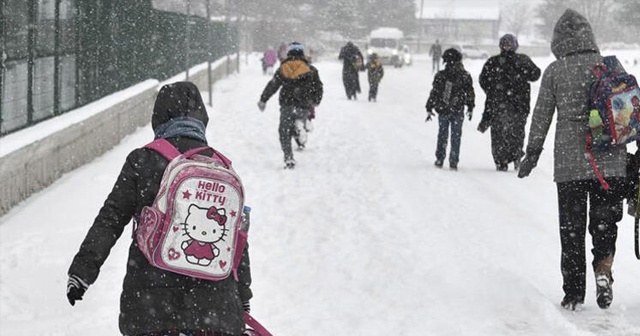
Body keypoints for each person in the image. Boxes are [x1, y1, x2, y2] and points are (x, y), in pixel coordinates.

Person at [66, 81, 253, 335]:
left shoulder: (142, 161)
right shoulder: (221, 167)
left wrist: (82, 272)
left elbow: (110, 219)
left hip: (150, 300)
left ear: (159, 117)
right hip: (214, 304)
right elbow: (236, 237)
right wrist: (242, 294)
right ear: (201, 118)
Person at [518, 9, 628, 311]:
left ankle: (573, 293)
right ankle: (603, 269)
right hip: (611, 162)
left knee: (572, 229)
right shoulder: (608, 67)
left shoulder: (555, 71)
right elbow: (629, 111)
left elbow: (541, 116)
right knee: (604, 223)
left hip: (570, 165)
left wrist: (532, 153)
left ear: (558, 40)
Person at [478, 34, 541, 171]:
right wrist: (522, 75)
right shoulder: (522, 60)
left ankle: (502, 160)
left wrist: (493, 91)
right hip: (519, 105)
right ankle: (515, 155)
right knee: (516, 132)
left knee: (499, 134)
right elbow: (535, 74)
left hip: (498, 105)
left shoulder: (493, 62)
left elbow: (483, 80)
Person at [257, 42, 323, 169]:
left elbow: (273, 85)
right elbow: (318, 87)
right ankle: (301, 128)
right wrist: (316, 100)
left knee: (284, 131)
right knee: (298, 121)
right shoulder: (311, 70)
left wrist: (263, 100)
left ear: (289, 53)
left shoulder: (283, 68)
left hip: (287, 104)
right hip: (304, 105)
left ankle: (288, 157)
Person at [425, 48, 475, 170]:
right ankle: (453, 160)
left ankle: (440, 158)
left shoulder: (441, 75)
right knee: (456, 135)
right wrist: (470, 106)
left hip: (443, 109)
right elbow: (470, 92)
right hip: (458, 109)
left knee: (442, 134)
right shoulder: (465, 76)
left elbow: (435, 92)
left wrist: (430, 106)